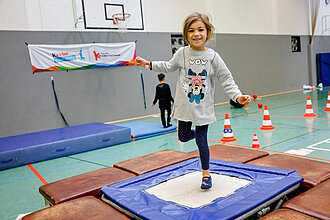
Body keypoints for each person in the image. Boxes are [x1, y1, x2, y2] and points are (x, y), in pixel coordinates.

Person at [136, 12, 251, 190]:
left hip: (202, 108)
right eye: (191, 31)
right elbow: (167, 66)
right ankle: (199, 137)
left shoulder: (213, 57)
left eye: (200, 30)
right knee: (182, 136)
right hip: (184, 107)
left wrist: (237, 96)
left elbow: (226, 79)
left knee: (201, 141)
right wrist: (147, 64)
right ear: (186, 35)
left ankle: (206, 173)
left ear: (207, 33)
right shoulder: (182, 53)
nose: (196, 34)